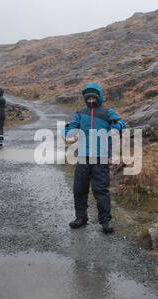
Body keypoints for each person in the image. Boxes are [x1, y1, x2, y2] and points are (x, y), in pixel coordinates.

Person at [63, 82, 126, 234]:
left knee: (100, 190)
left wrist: (117, 126)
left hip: (101, 157)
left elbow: (120, 123)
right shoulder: (80, 113)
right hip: (83, 157)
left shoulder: (107, 112)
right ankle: (81, 217)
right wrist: (67, 132)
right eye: (88, 98)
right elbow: (72, 127)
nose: (91, 101)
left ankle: (105, 220)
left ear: (99, 97)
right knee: (79, 189)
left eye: (94, 98)